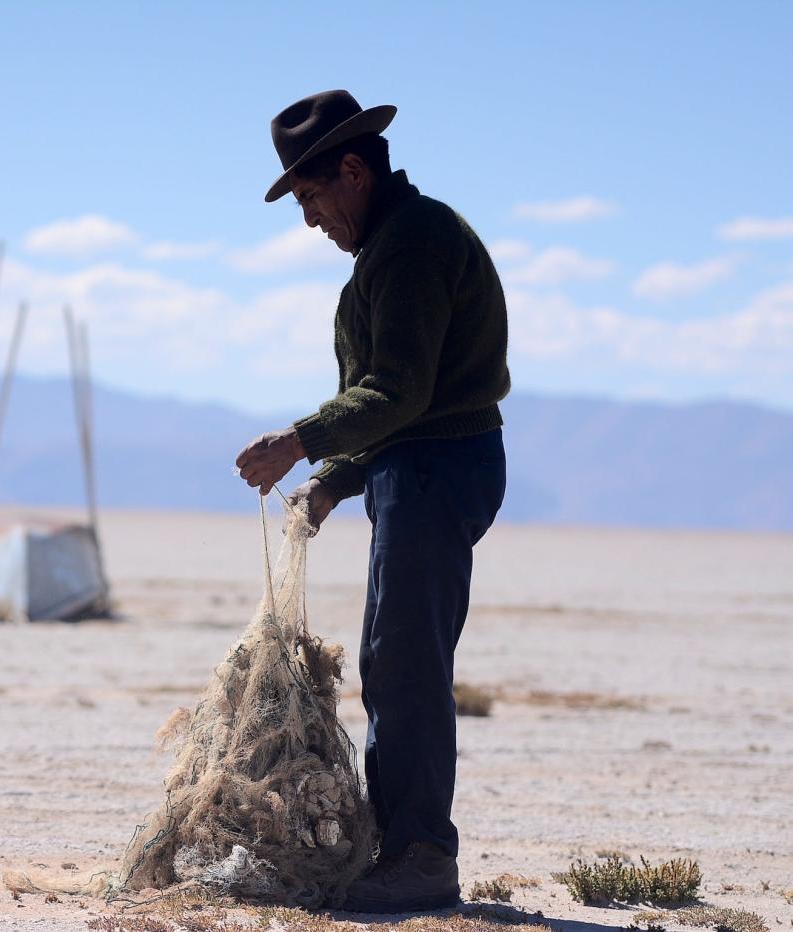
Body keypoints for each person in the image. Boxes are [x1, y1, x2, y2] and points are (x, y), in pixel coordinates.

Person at [234, 89, 510, 914]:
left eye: (313, 198)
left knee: (408, 666)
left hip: (436, 470)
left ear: (353, 171)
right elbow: (393, 403)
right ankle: (401, 849)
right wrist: (333, 483)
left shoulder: (413, 245)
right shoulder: (391, 247)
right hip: (414, 469)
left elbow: (400, 392)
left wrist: (300, 439)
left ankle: (422, 856)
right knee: (393, 663)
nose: (311, 222)